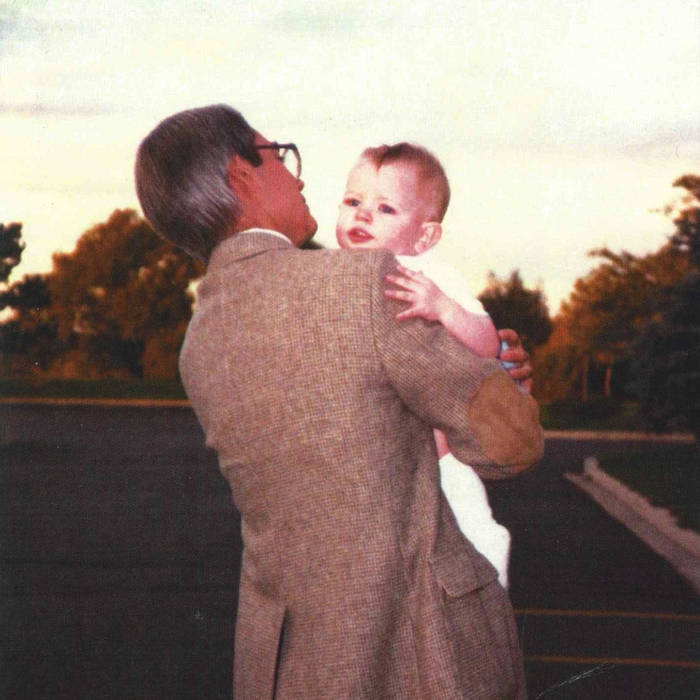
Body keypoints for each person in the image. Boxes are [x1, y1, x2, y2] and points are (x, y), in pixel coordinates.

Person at [134, 104, 544, 699]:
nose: (297, 177)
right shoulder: (364, 285)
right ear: (242, 176)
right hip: (418, 655)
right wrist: (504, 383)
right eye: (279, 156)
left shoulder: (199, 343)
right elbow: (510, 446)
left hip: (288, 664)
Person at [336, 143, 515, 588]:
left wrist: (443, 308)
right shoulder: (335, 277)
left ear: (424, 237)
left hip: (441, 462)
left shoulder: (431, 276)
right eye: (353, 201)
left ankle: (490, 591)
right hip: (377, 463)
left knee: (474, 533)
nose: (363, 215)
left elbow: (487, 343)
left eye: (385, 208)